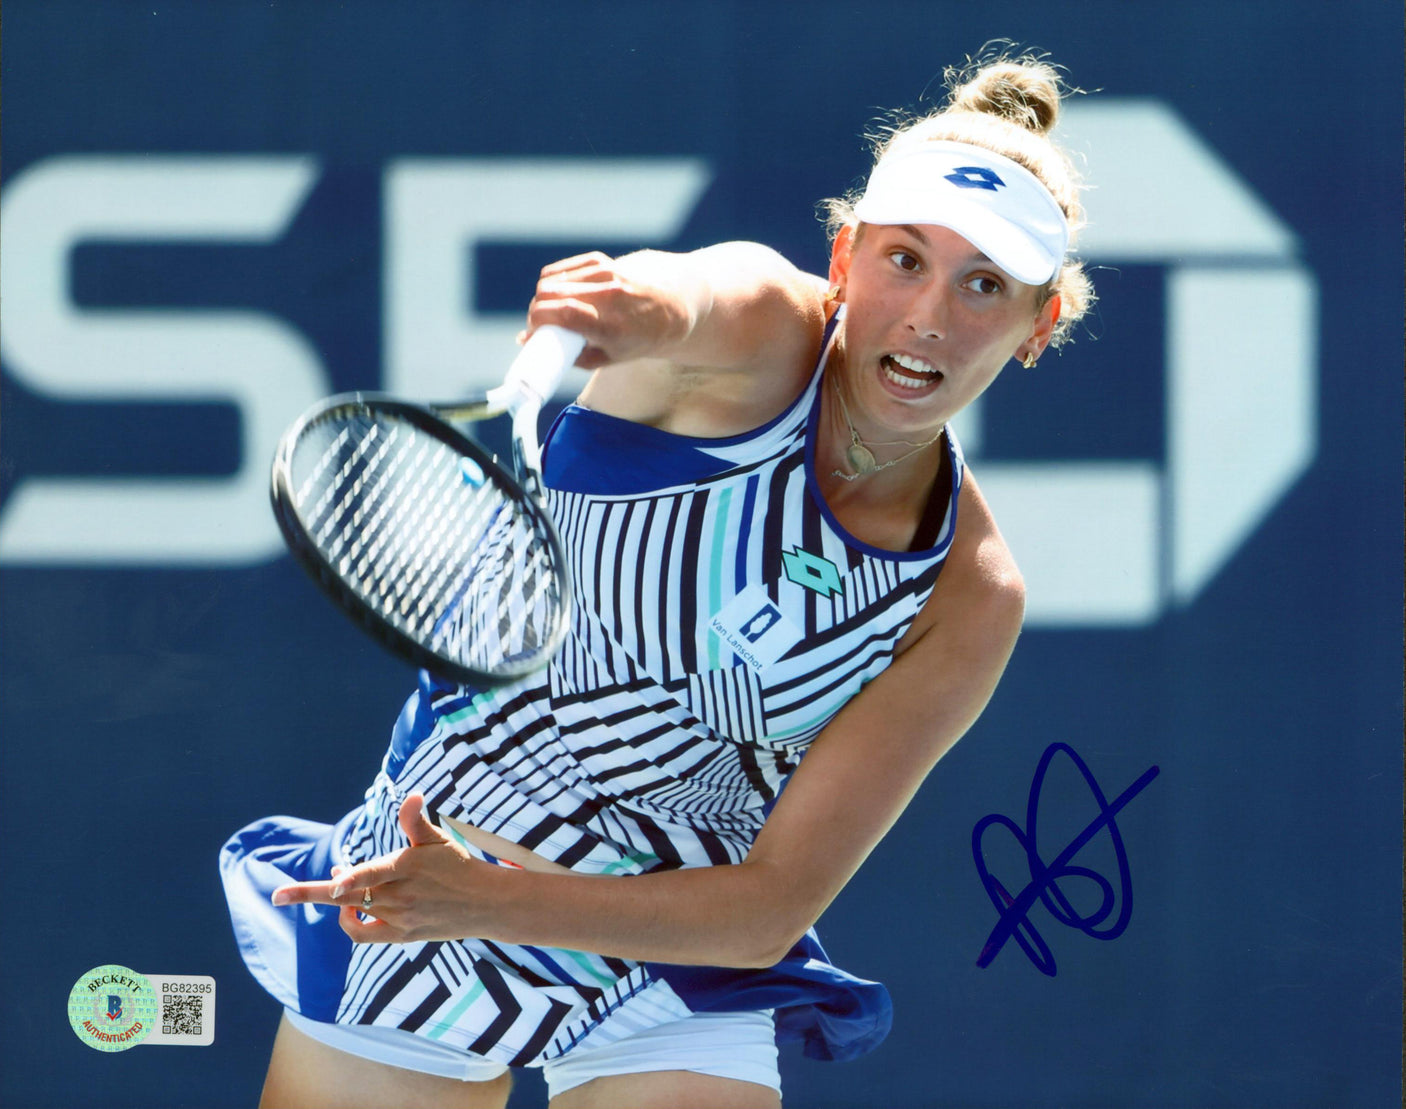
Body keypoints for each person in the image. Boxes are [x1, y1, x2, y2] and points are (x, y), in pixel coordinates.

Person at [221, 48, 1094, 1109]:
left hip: (666, 966)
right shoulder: (763, 331)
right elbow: (685, 300)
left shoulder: (968, 595)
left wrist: (488, 902)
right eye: (904, 261)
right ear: (843, 255)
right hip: (429, 880)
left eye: (983, 286)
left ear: (1035, 325)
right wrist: (624, 306)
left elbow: (766, 905)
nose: (928, 316)